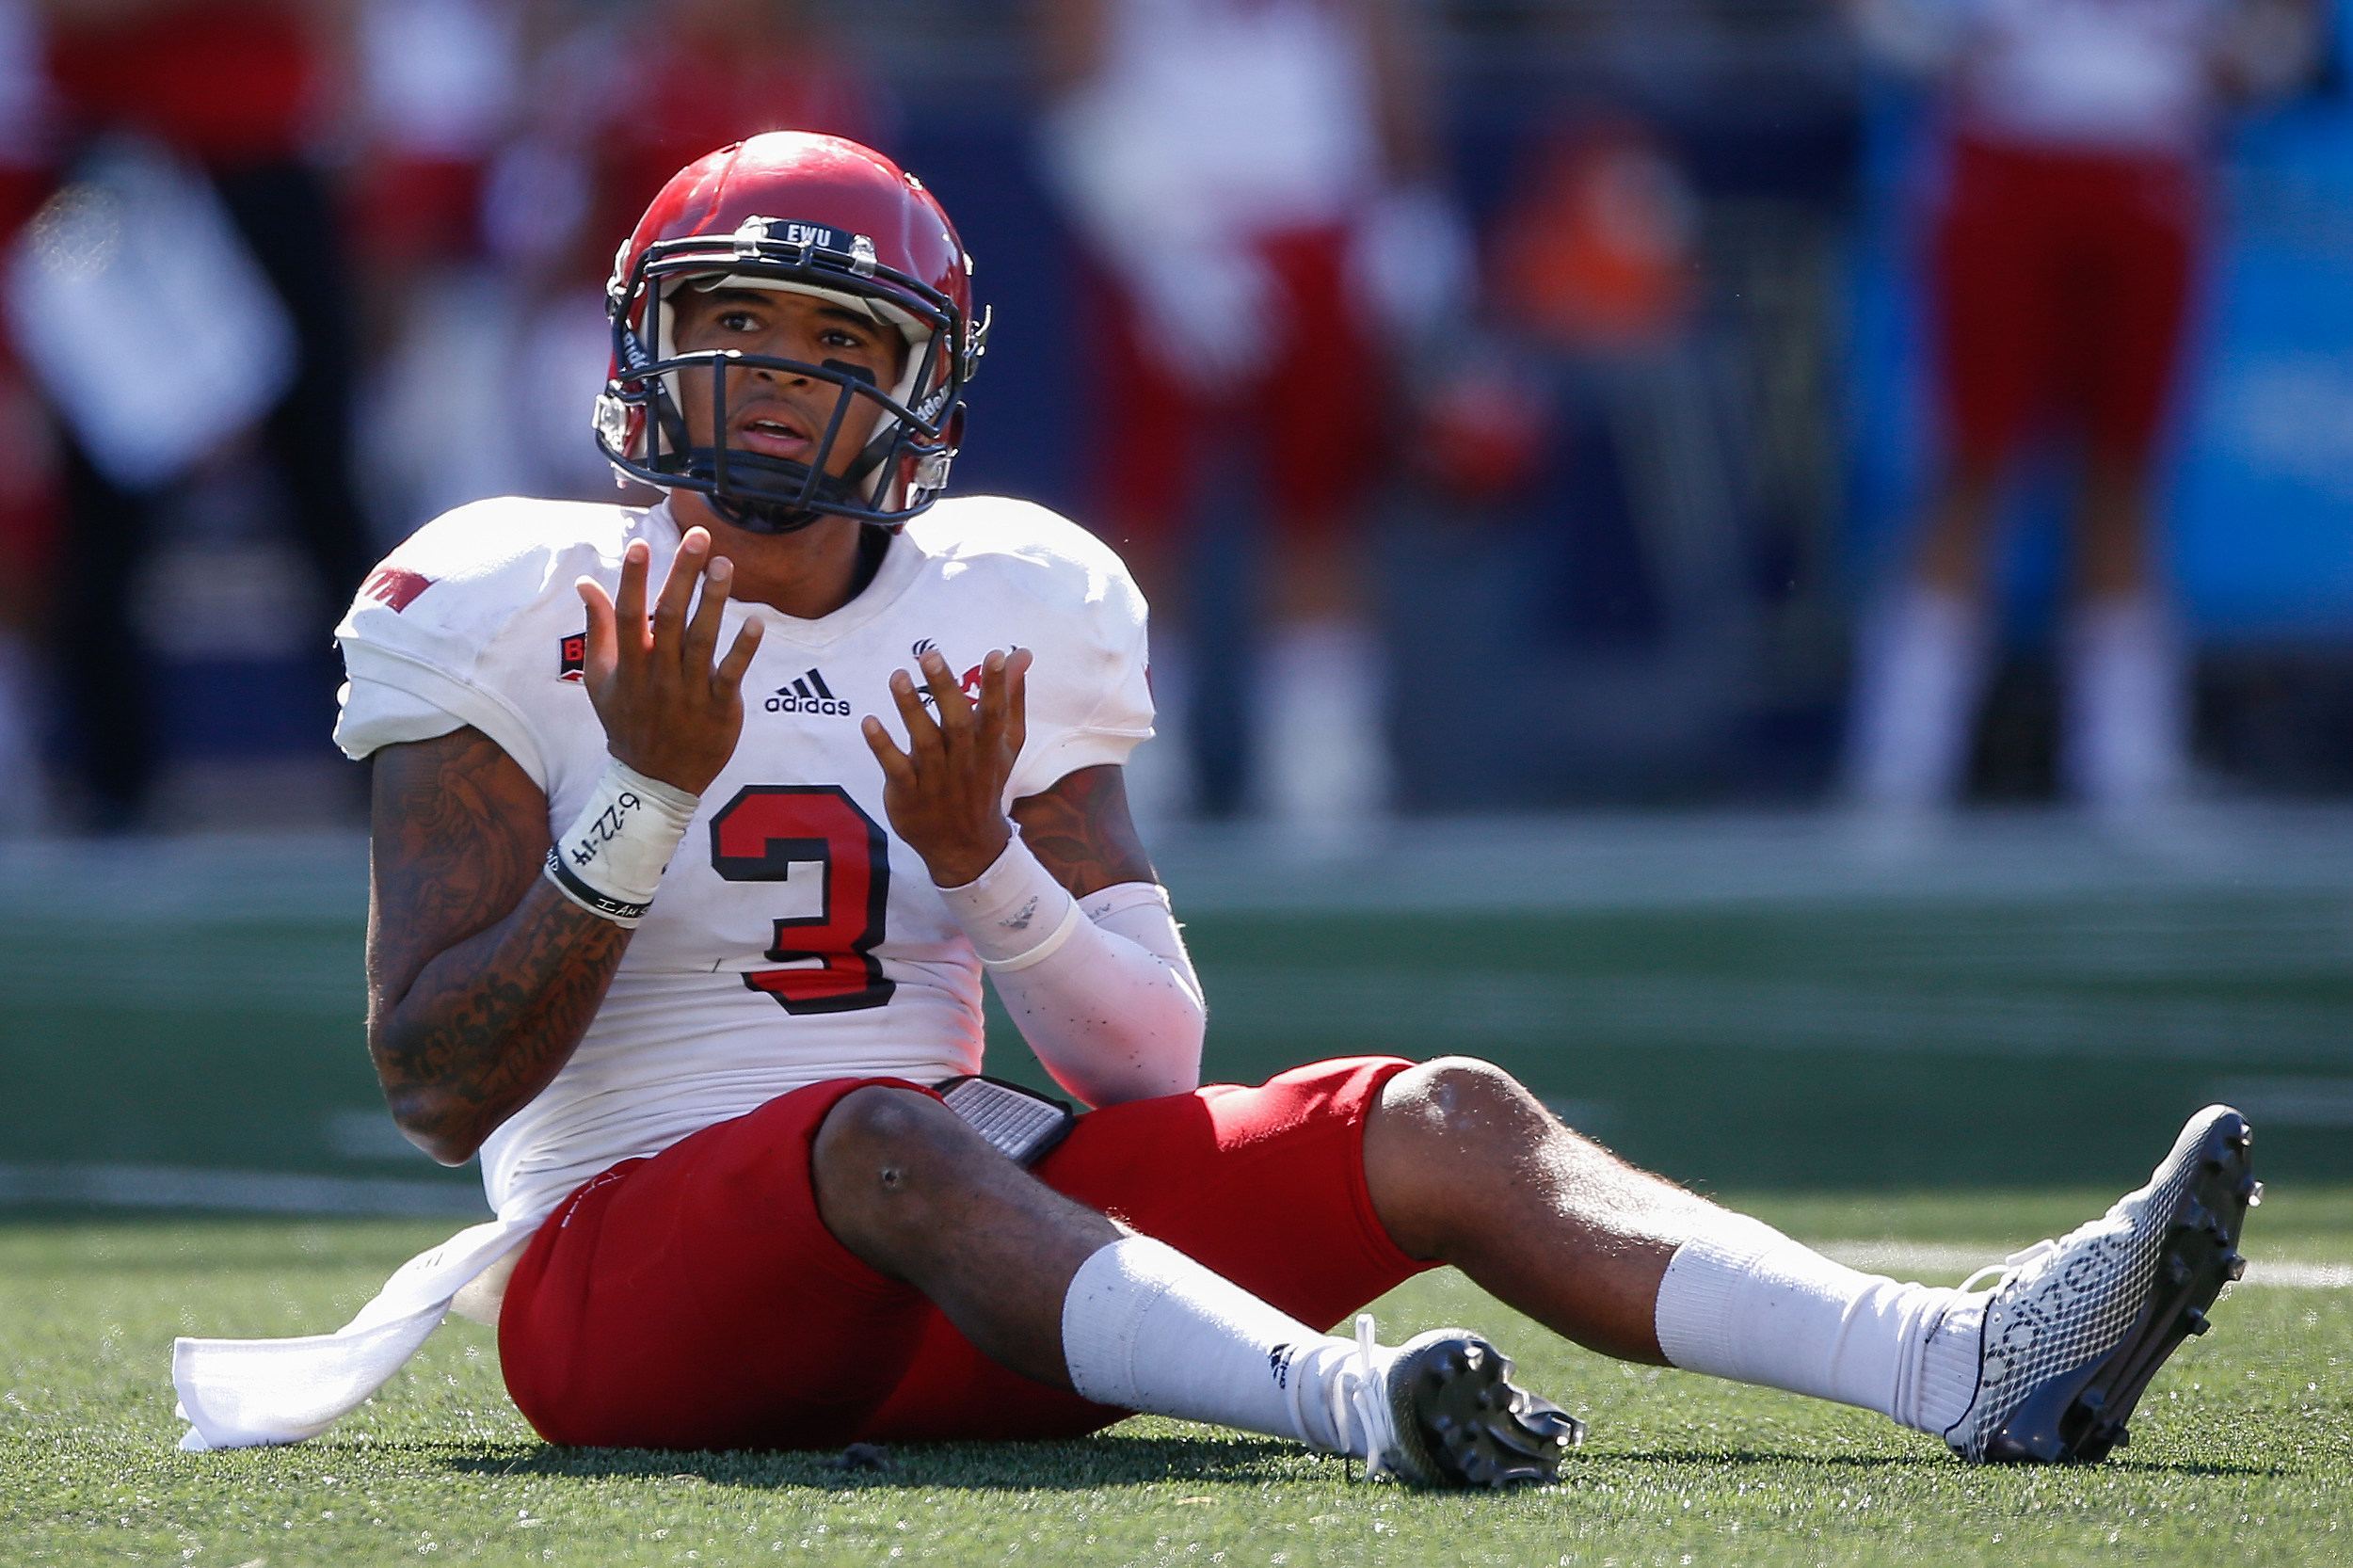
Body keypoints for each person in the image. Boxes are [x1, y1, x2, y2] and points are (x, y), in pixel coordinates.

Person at [173, 133, 2259, 1483]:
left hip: (978, 1267)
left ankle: (1966, 1359)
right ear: (643, 356)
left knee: (1434, 1110)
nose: (781, 379)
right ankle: (1356, 1402)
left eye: (833, 337)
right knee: (880, 1128)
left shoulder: (1012, 595)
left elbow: (1145, 1060)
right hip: (625, 1299)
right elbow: (436, 1088)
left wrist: (983, 854)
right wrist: (633, 789)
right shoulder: (509, 600)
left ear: (921, 386)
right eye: (733, 329)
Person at [1841, 0, 2318, 828]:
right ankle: (1900, 762)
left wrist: (2244, 62)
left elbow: (2284, 29)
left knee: (2128, 466)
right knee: (1972, 459)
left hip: (2148, 160)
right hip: (2006, 154)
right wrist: (1932, 48)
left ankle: (2130, 764)